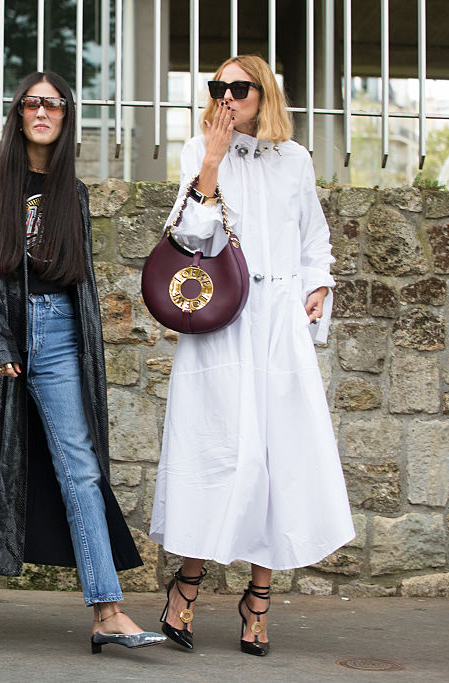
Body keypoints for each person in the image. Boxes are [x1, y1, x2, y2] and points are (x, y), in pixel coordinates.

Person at [0, 71, 165, 654]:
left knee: (80, 467)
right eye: (32, 103)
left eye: (53, 105)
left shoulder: (71, 192)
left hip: (56, 333)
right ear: (18, 113)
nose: (41, 112)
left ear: (65, 117)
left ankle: (107, 610)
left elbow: (77, 277)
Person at [148, 54, 354, 657]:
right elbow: (188, 238)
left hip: (279, 324)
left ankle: (258, 598)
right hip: (223, 322)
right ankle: (187, 585)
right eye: (218, 87)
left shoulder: (295, 160)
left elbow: (315, 238)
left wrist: (318, 287)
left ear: (264, 94)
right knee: (214, 452)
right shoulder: (198, 150)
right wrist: (211, 164)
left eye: (239, 88)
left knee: (277, 458)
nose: (227, 97)